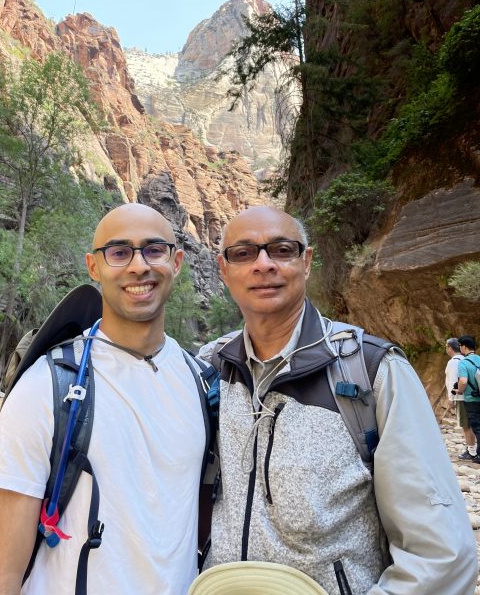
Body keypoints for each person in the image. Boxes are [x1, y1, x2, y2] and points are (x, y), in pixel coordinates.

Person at [200, 205, 477, 595]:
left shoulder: (371, 370)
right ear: (223, 270)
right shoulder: (211, 369)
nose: (263, 264)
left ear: (306, 261)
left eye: (281, 250)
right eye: (243, 253)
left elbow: (441, 552)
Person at [0, 203, 207, 595]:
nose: (139, 266)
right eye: (119, 252)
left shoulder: (202, 381)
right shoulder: (45, 386)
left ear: (177, 261)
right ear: (93, 266)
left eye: (154, 250)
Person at [445, 338, 477, 460]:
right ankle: (473, 449)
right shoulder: (466, 359)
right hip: (472, 395)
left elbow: (454, 381)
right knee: (472, 423)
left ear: (450, 348)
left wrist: (451, 398)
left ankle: (471, 451)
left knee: (466, 424)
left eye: (446, 347)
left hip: (461, 396)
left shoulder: (453, 362)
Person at [456, 335, 480, 464]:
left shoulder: (463, 363)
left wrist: (459, 390)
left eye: (460, 346)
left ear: (464, 346)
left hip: (472, 399)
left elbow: (463, 381)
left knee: (477, 427)